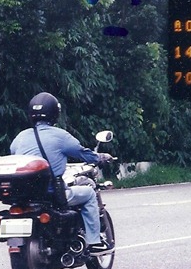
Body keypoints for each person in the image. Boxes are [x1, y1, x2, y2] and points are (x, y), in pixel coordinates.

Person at [10, 92, 114, 256]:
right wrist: (100, 157)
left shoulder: (20, 137)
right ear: (55, 113)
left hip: (26, 194)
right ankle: (94, 242)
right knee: (88, 193)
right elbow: (82, 153)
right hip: (52, 194)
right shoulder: (60, 135)